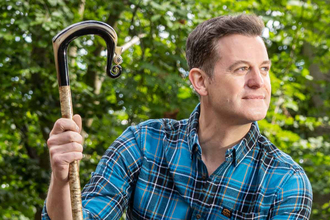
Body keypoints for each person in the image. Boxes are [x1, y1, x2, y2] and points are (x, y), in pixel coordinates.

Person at [42, 14, 313, 220]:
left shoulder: (286, 182)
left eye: (264, 69)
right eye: (242, 69)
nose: (258, 82)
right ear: (200, 82)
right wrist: (62, 176)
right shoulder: (143, 143)